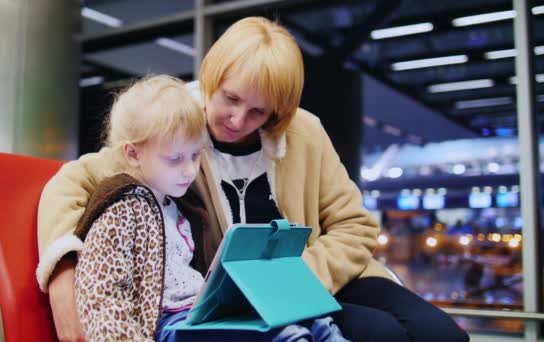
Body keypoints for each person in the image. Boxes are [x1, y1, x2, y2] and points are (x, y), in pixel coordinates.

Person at [37, 17, 468, 342]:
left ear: (279, 112)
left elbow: (355, 226)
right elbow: (69, 183)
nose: (238, 120)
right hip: (244, 303)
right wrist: (63, 274)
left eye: (259, 111)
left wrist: (301, 276)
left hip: (320, 280)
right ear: (212, 79)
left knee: (443, 334)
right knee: (380, 334)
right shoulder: (174, 128)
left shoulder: (304, 132)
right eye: (230, 98)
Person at [69, 75, 349, 341]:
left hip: (200, 313)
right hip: (167, 323)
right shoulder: (121, 207)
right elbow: (101, 293)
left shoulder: (176, 205)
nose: (190, 170)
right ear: (133, 154)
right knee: (284, 334)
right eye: (175, 158)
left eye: (194, 155)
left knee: (316, 320)